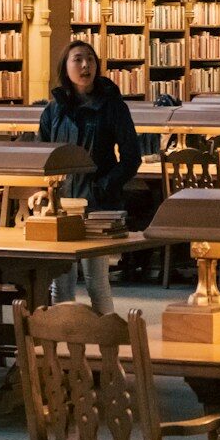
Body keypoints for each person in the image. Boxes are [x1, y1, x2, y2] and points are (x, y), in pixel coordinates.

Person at [39, 40, 141, 313]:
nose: (86, 66)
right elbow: (42, 156)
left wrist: (103, 186)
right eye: (78, 59)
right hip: (61, 206)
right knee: (61, 284)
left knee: (97, 281)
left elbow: (132, 158)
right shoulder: (53, 110)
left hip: (97, 207)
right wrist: (44, 192)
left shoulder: (113, 106)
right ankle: (62, 346)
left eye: (91, 60)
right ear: (65, 66)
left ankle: (108, 347)